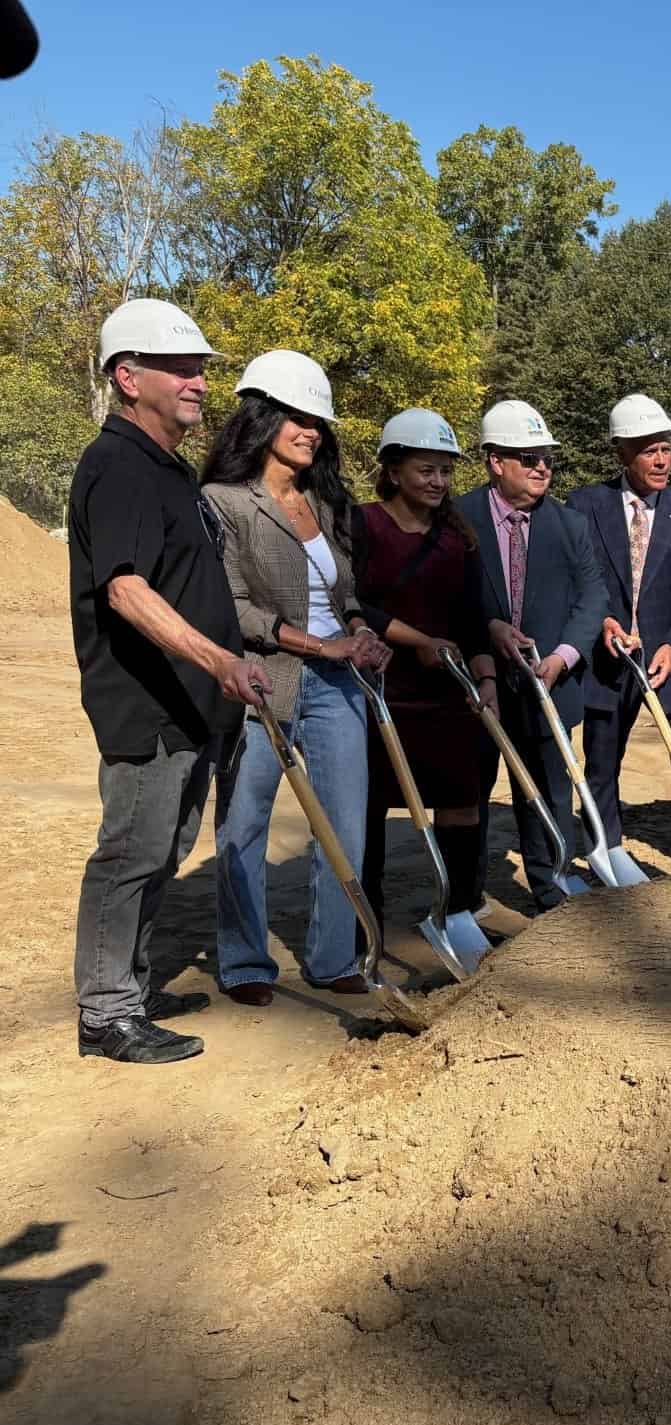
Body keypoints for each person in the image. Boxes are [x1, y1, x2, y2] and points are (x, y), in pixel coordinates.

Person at [68, 299, 267, 1062]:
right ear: (128, 377)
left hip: (187, 706)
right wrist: (219, 661)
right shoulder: (118, 465)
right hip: (145, 706)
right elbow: (125, 590)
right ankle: (106, 1014)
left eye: (201, 370)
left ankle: (132, 987)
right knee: (129, 855)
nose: (199, 383)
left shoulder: (167, 467)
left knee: (161, 851)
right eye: (180, 369)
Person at [203, 351, 392, 1007]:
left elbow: (346, 592)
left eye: (317, 422)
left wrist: (359, 631)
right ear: (262, 419)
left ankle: (333, 956)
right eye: (297, 419)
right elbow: (231, 605)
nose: (311, 432)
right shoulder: (223, 502)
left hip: (338, 685)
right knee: (243, 826)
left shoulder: (324, 501)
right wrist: (320, 643)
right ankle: (244, 962)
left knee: (344, 826)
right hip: (262, 680)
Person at [453, 400, 607, 912]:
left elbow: (593, 597)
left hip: (550, 683)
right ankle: (464, 898)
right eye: (528, 457)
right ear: (495, 461)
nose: (542, 467)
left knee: (549, 790)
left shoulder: (569, 525)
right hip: (479, 685)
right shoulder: (458, 519)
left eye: (546, 458)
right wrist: (486, 629)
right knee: (469, 795)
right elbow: (444, 597)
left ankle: (551, 887)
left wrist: (564, 654)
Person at [350, 409, 499, 931]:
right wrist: (418, 642)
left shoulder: (458, 538)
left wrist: (486, 680)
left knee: (462, 803)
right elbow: (351, 604)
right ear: (394, 472)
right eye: (426, 470)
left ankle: (455, 915)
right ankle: (364, 926)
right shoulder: (362, 524)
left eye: (446, 471)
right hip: (379, 691)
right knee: (367, 810)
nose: (438, 481)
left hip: (449, 694)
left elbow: (474, 619)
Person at [567, 393, 671, 868]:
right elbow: (576, 582)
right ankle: (604, 847)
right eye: (648, 450)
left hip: (670, 661)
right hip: (609, 660)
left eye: (666, 449)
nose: (661, 461)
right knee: (602, 760)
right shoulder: (585, 506)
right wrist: (602, 623)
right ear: (621, 453)